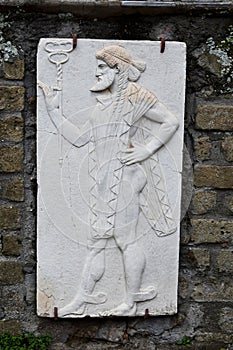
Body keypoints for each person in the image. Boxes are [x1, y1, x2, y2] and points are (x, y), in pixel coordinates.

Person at [39, 44, 179, 317]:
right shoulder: (101, 106)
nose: (97, 72)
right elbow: (79, 139)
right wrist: (54, 111)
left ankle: (129, 302)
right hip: (103, 181)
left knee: (125, 240)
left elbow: (170, 121)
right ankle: (82, 298)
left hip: (126, 178)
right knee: (97, 241)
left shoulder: (136, 96)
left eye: (102, 67)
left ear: (118, 69)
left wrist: (146, 149)